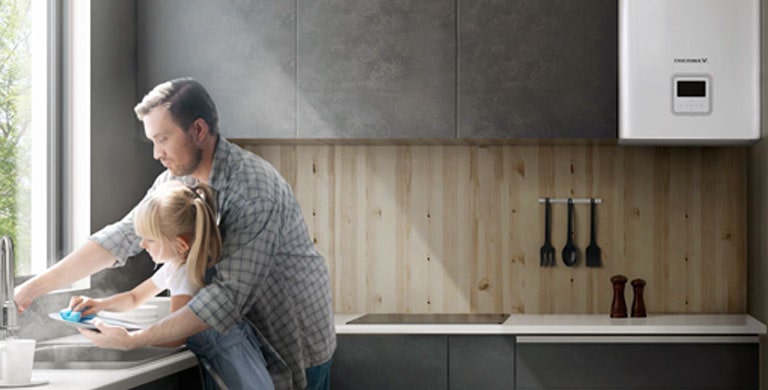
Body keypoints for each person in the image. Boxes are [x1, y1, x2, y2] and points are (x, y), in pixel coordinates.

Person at [15, 78, 336, 389]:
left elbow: (226, 297)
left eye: (163, 138)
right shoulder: (174, 181)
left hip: (290, 335)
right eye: (153, 141)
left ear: (198, 130)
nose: (156, 153)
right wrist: (31, 290)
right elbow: (123, 236)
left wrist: (133, 340)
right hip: (232, 339)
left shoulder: (253, 189)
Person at [68, 180, 274, 389]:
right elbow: (134, 297)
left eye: (149, 239)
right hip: (234, 359)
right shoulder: (177, 264)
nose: (142, 245)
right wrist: (99, 304)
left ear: (180, 244)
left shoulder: (185, 275)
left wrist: (130, 339)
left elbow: (176, 336)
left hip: (232, 366)